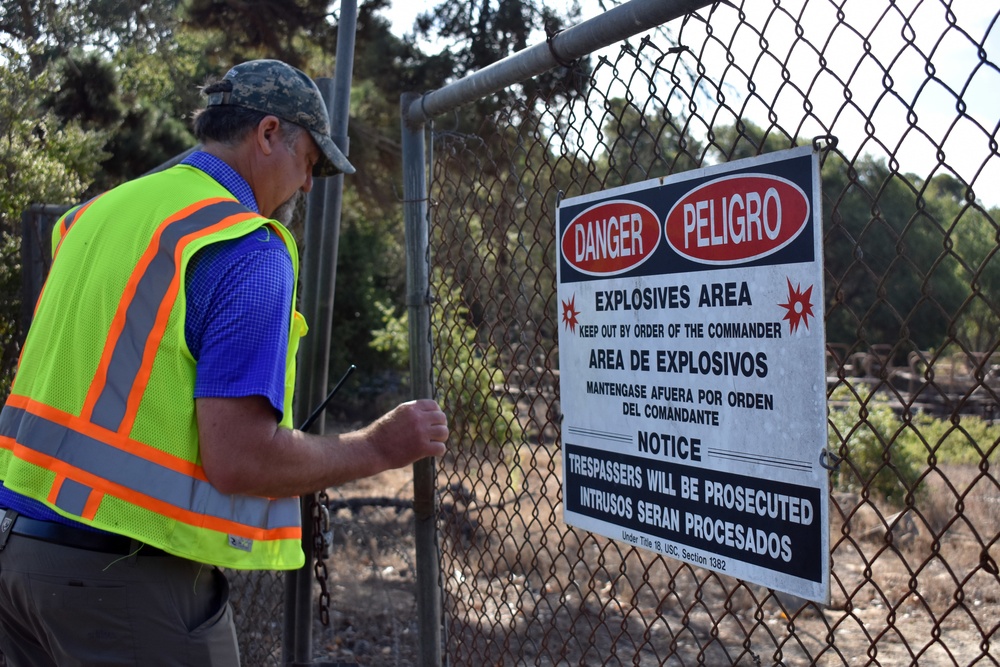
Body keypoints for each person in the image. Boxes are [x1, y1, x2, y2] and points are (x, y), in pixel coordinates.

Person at [0, 59, 448, 666]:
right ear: (268, 134)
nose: (309, 185)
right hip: (125, 582)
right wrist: (379, 447)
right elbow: (242, 458)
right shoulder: (245, 245)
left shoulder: (97, 215)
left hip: (17, 556)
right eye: (310, 162)